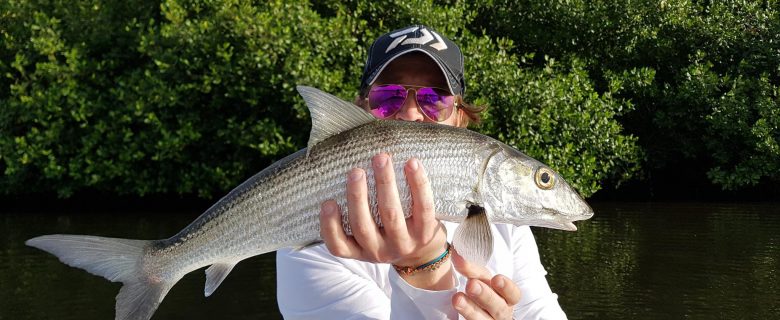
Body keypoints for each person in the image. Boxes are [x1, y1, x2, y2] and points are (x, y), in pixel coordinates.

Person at [277, 25, 567, 319]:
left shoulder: (506, 224)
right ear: (361, 109)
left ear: (459, 118)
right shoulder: (318, 229)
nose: (412, 113)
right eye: (388, 97)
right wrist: (422, 265)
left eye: (434, 100)